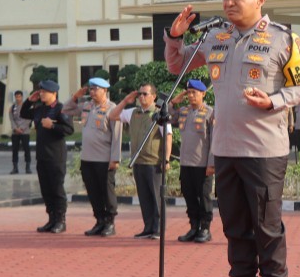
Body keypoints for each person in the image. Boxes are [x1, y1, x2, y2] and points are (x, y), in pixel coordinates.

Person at [165, 0, 300, 277]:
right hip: (225, 149)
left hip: (264, 151)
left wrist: (273, 100)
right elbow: (177, 65)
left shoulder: (284, 39)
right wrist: (174, 37)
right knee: (235, 227)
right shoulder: (216, 37)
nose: (229, 3)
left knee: (266, 227)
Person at [109, 83, 172, 240]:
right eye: (140, 94)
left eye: (145, 94)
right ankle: (148, 227)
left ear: (154, 96)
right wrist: (125, 101)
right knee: (144, 198)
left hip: (154, 162)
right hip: (138, 161)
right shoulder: (133, 112)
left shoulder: (159, 114)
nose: (141, 97)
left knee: (156, 198)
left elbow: (168, 136)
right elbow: (112, 116)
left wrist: (166, 159)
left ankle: (158, 229)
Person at [63, 77, 123, 238]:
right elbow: (65, 110)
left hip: (104, 160)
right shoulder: (87, 106)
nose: (92, 92)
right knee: (93, 192)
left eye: (96, 89)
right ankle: (99, 220)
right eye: (91, 89)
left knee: (107, 192)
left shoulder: (113, 109)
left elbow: (117, 136)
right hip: (87, 159)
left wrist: (115, 159)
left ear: (105, 91)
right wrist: (75, 97)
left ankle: (110, 222)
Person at [20, 80, 74, 234]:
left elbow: (69, 129)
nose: (42, 94)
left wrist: (53, 126)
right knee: (46, 189)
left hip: (55, 156)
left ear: (54, 93)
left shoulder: (61, 108)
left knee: (57, 189)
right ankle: (51, 219)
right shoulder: (39, 109)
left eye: (45, 92)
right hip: (42, 156)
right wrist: (29, 101)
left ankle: (60, 220)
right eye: (41, 91)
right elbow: (23, 113)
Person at [170, 79, 215, 244]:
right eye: (188, 92)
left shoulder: (210, 113)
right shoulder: (183, 111)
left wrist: (211, 163)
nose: (190, 95)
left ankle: (205, 228)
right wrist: (173, 103)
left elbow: (214, 140)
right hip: (186, 162)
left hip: (202, 164)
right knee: (189, 196)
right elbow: (166, 118)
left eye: (194, 92)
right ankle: (194, 227)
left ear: (203, 94)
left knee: (203, 197)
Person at [9, 90, 32, 174]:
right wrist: (15, 128)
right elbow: (11, 119)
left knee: (26, 149)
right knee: (15, 150)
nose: (18, 98)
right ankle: (15, 167)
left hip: (24, 132)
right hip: (15, 132)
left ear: (22, 97)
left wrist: (21, 128)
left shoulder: (27, 107)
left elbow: (29, 119)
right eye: (16, 97)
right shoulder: (12, 107)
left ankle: (28, 167)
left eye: (19, 96)